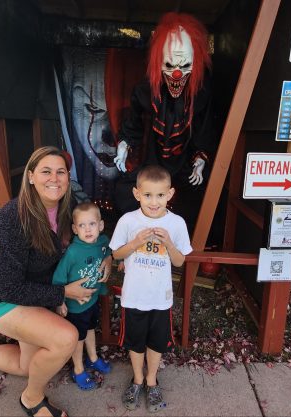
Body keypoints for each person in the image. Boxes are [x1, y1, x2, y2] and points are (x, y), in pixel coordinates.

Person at [0, 146, 111, 417]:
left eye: (60, 172)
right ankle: (32, 399)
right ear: (30, 176)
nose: (54, 178)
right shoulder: (12, 218)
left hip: (36, 296)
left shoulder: (70, 209)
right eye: (46, 171)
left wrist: (106, 259)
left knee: (31, 366)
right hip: (1, 300)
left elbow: (94, 239)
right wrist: (62, 294)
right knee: (65, 338)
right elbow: (9, 288)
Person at [113, 12, 216, 232]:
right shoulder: (144, 91)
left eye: (185, 65)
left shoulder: (200, 94)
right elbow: (133, 125)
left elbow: (203, 131)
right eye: (170, 64)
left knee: (196, 192)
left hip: (184, 159)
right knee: (127, 190)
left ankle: (178, 236)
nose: (177, 74)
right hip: (153, 157)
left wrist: (200, 160)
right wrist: (124, 145)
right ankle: (143, 232)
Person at [109, 165, 193, 413]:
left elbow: (180, 262)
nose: (154, 202)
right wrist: (136, 242)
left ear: (170, 194)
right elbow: (116, 254)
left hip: (160, 298)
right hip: (134, 296)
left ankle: (151, 380)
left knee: (156, 342)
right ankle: (137, 379)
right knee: (135, 342)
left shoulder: (176, 223)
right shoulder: (128, 220)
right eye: (147, 195)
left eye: (160, 195)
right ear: (137, 194)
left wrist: (168, 243)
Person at [52, 202, 113, 391]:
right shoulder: (73, 252)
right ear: (74, 229)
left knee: (90, 329)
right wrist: (59, 302)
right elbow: (58, 279)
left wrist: (109, 258)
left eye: (92, 224)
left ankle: (93, 358)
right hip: (75, 306)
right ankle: (78, 369)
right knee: (78, 338)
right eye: (82, 225)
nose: (88, 230)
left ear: (100, 226)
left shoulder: (102, 242)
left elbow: (109, 250)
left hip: (92, 301)